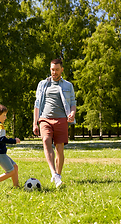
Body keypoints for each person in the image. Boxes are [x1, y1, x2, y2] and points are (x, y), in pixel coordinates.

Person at [33, 59, 76, 188]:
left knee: (59, 149)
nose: (54, 72)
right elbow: (37, 104)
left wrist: (72, 114)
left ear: (62, 69)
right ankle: (54, 174)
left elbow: (73, 103)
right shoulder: (42, 84)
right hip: (45, 118)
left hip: (61, 119)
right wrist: (35, 123)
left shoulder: (68, 85)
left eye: (57, 70)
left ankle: (58, 174)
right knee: (46, 140)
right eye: (52, 69)